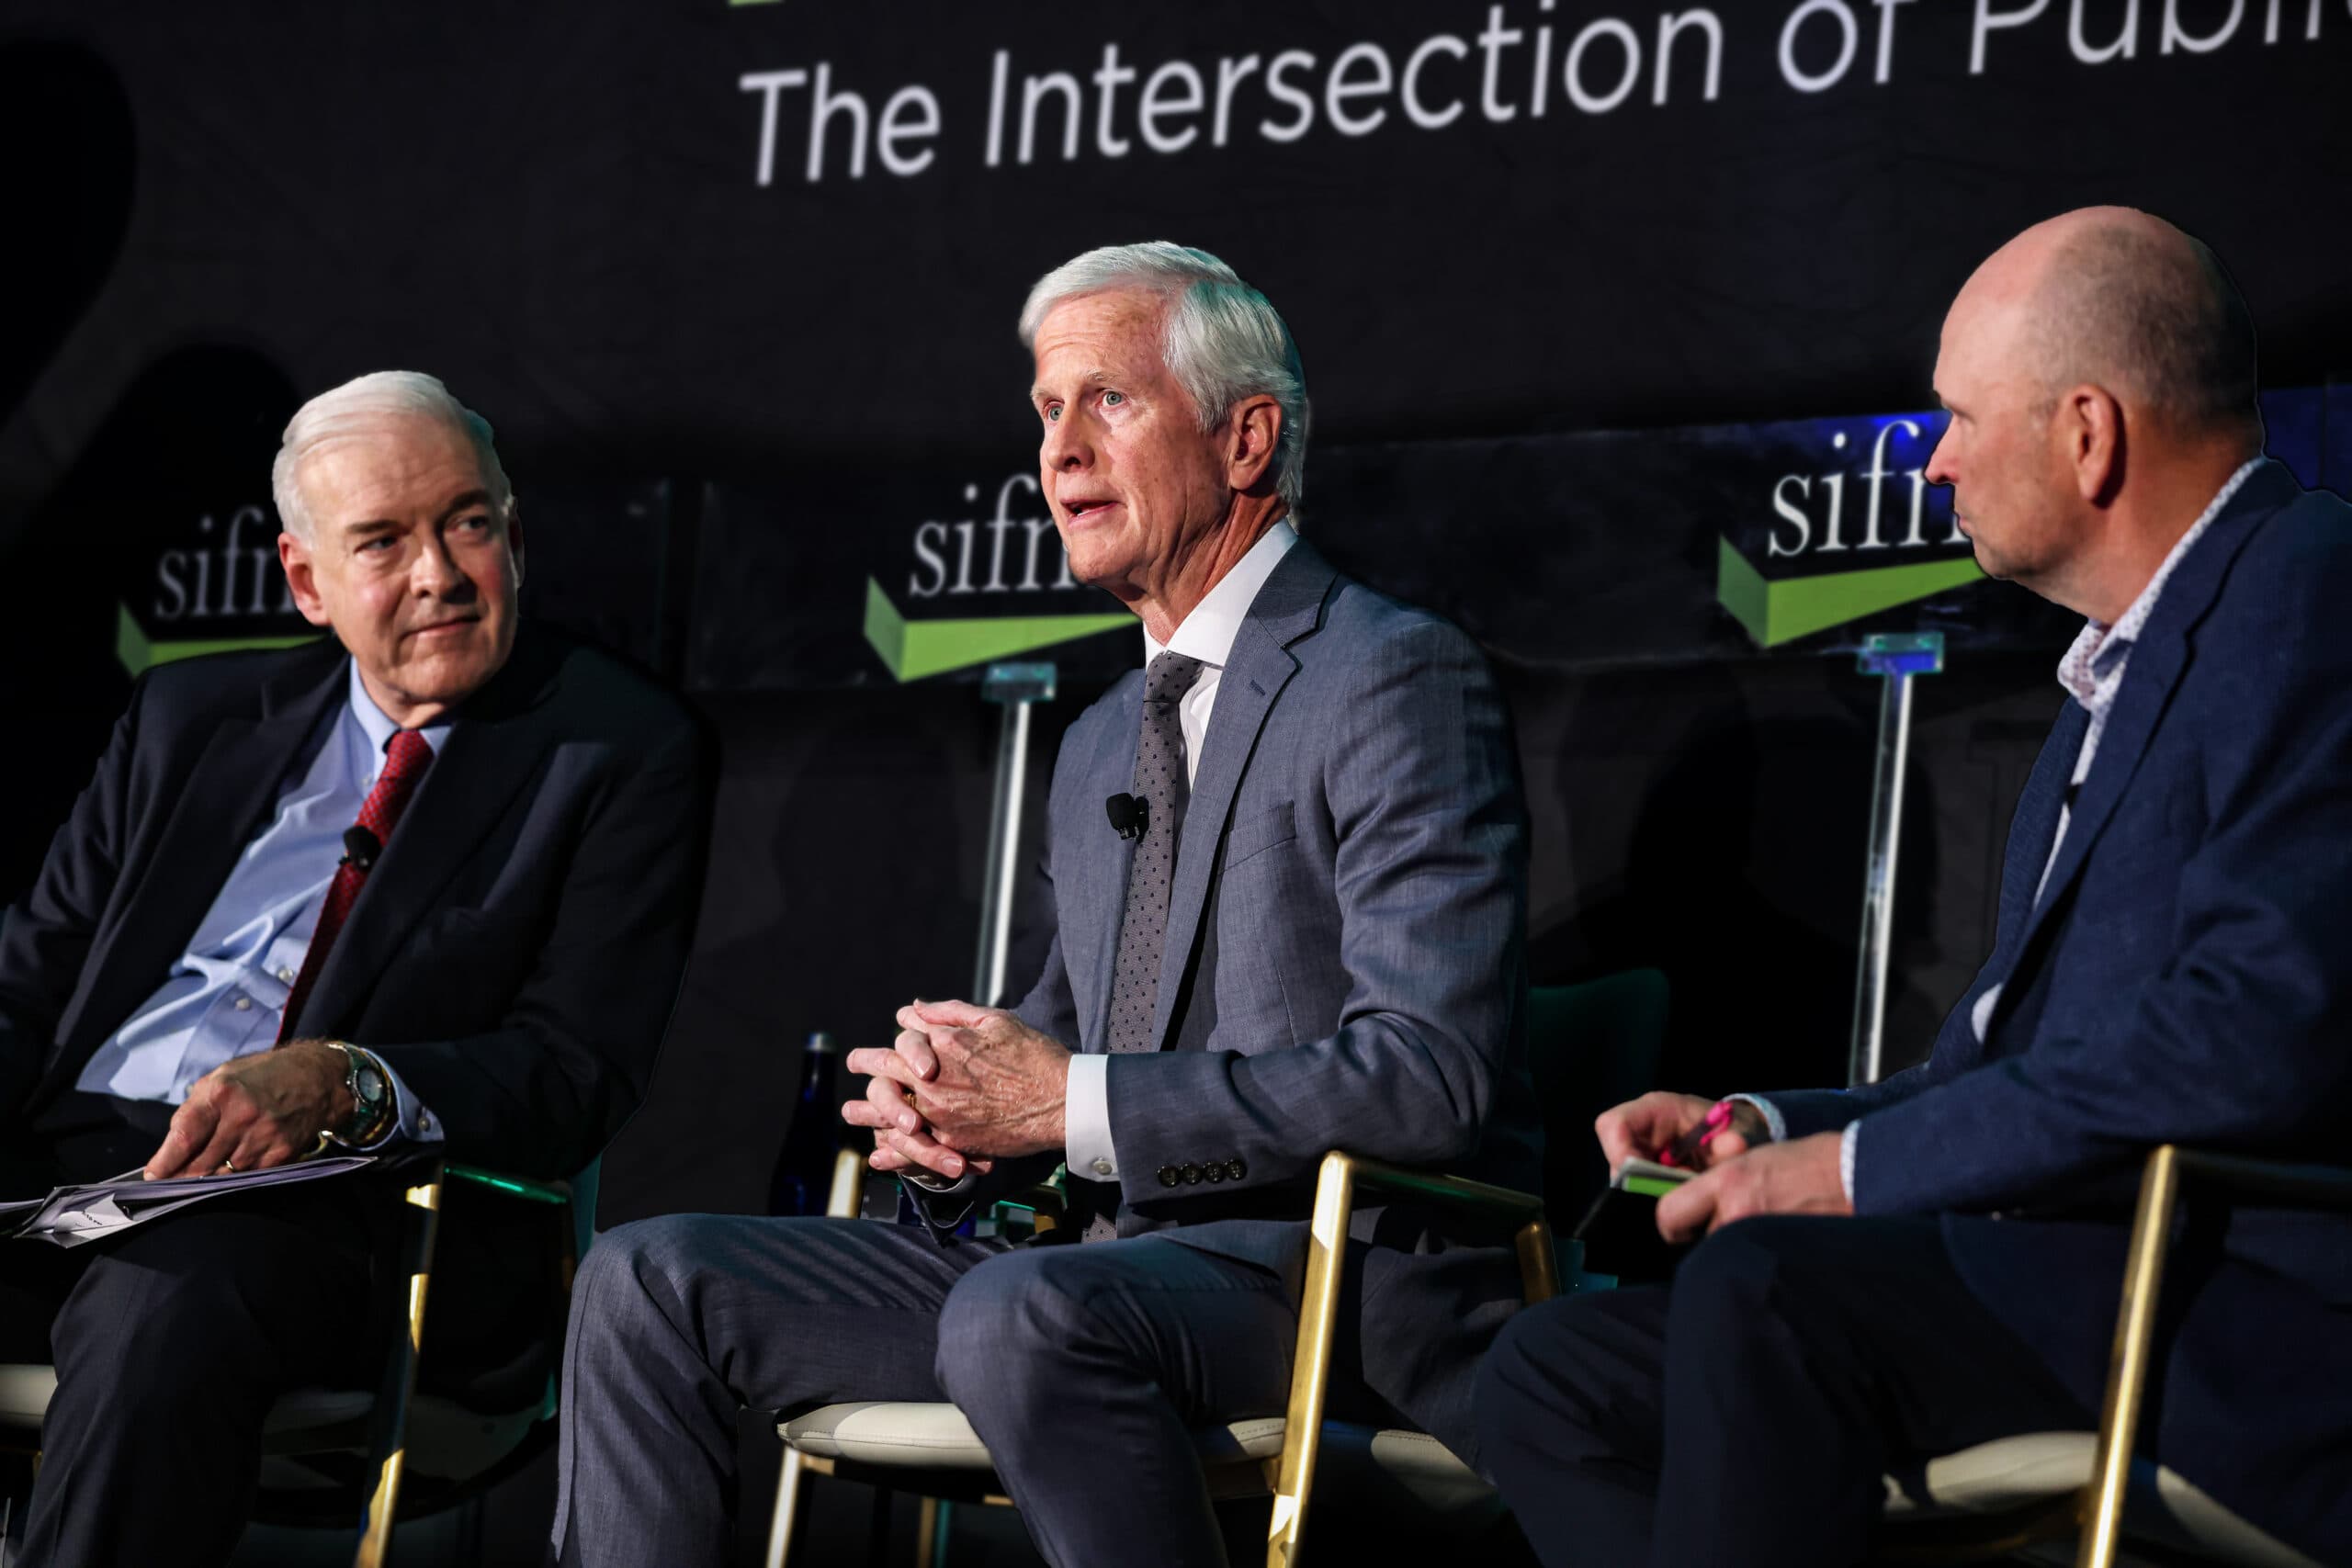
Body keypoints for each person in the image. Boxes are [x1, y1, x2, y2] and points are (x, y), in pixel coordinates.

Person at [552, 243, 1541, 1568]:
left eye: (1107, 402)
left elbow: (1430, 1076)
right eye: (1045, 411)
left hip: (1326, 1285)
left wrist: (1062, 1106)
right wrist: (962, 1117)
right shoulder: (1096, 745)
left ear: (1247, 440)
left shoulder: (1389, 678)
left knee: (1022, 1310)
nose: (1058, 451)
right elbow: (1066, 1038)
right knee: (641, 1280)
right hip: (1090, 1272)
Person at [1475, 207, 2352, 1566]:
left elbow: (2253, 1031)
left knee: (1768, 1294)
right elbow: (1998, 1071)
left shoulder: (2310, 590)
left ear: (2087, 432)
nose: (1933, 462)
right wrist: (1763, 1129)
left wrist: (1848, 1176)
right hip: (2047, 1279)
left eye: (1954, 419)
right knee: (1549, 1374)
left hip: (2212, 1312)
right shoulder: (2108, 686)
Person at [0, 370, 710, 1568]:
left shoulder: (616, 750)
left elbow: (572, 1070)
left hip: (343, 1215)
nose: (438, 572)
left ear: (514, 533)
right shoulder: (191, 719)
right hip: (75, 1170)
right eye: (384, 542)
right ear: (307, 581)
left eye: (467, 523)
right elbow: (24, 989)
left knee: (165, 1294)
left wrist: (352, 1085)